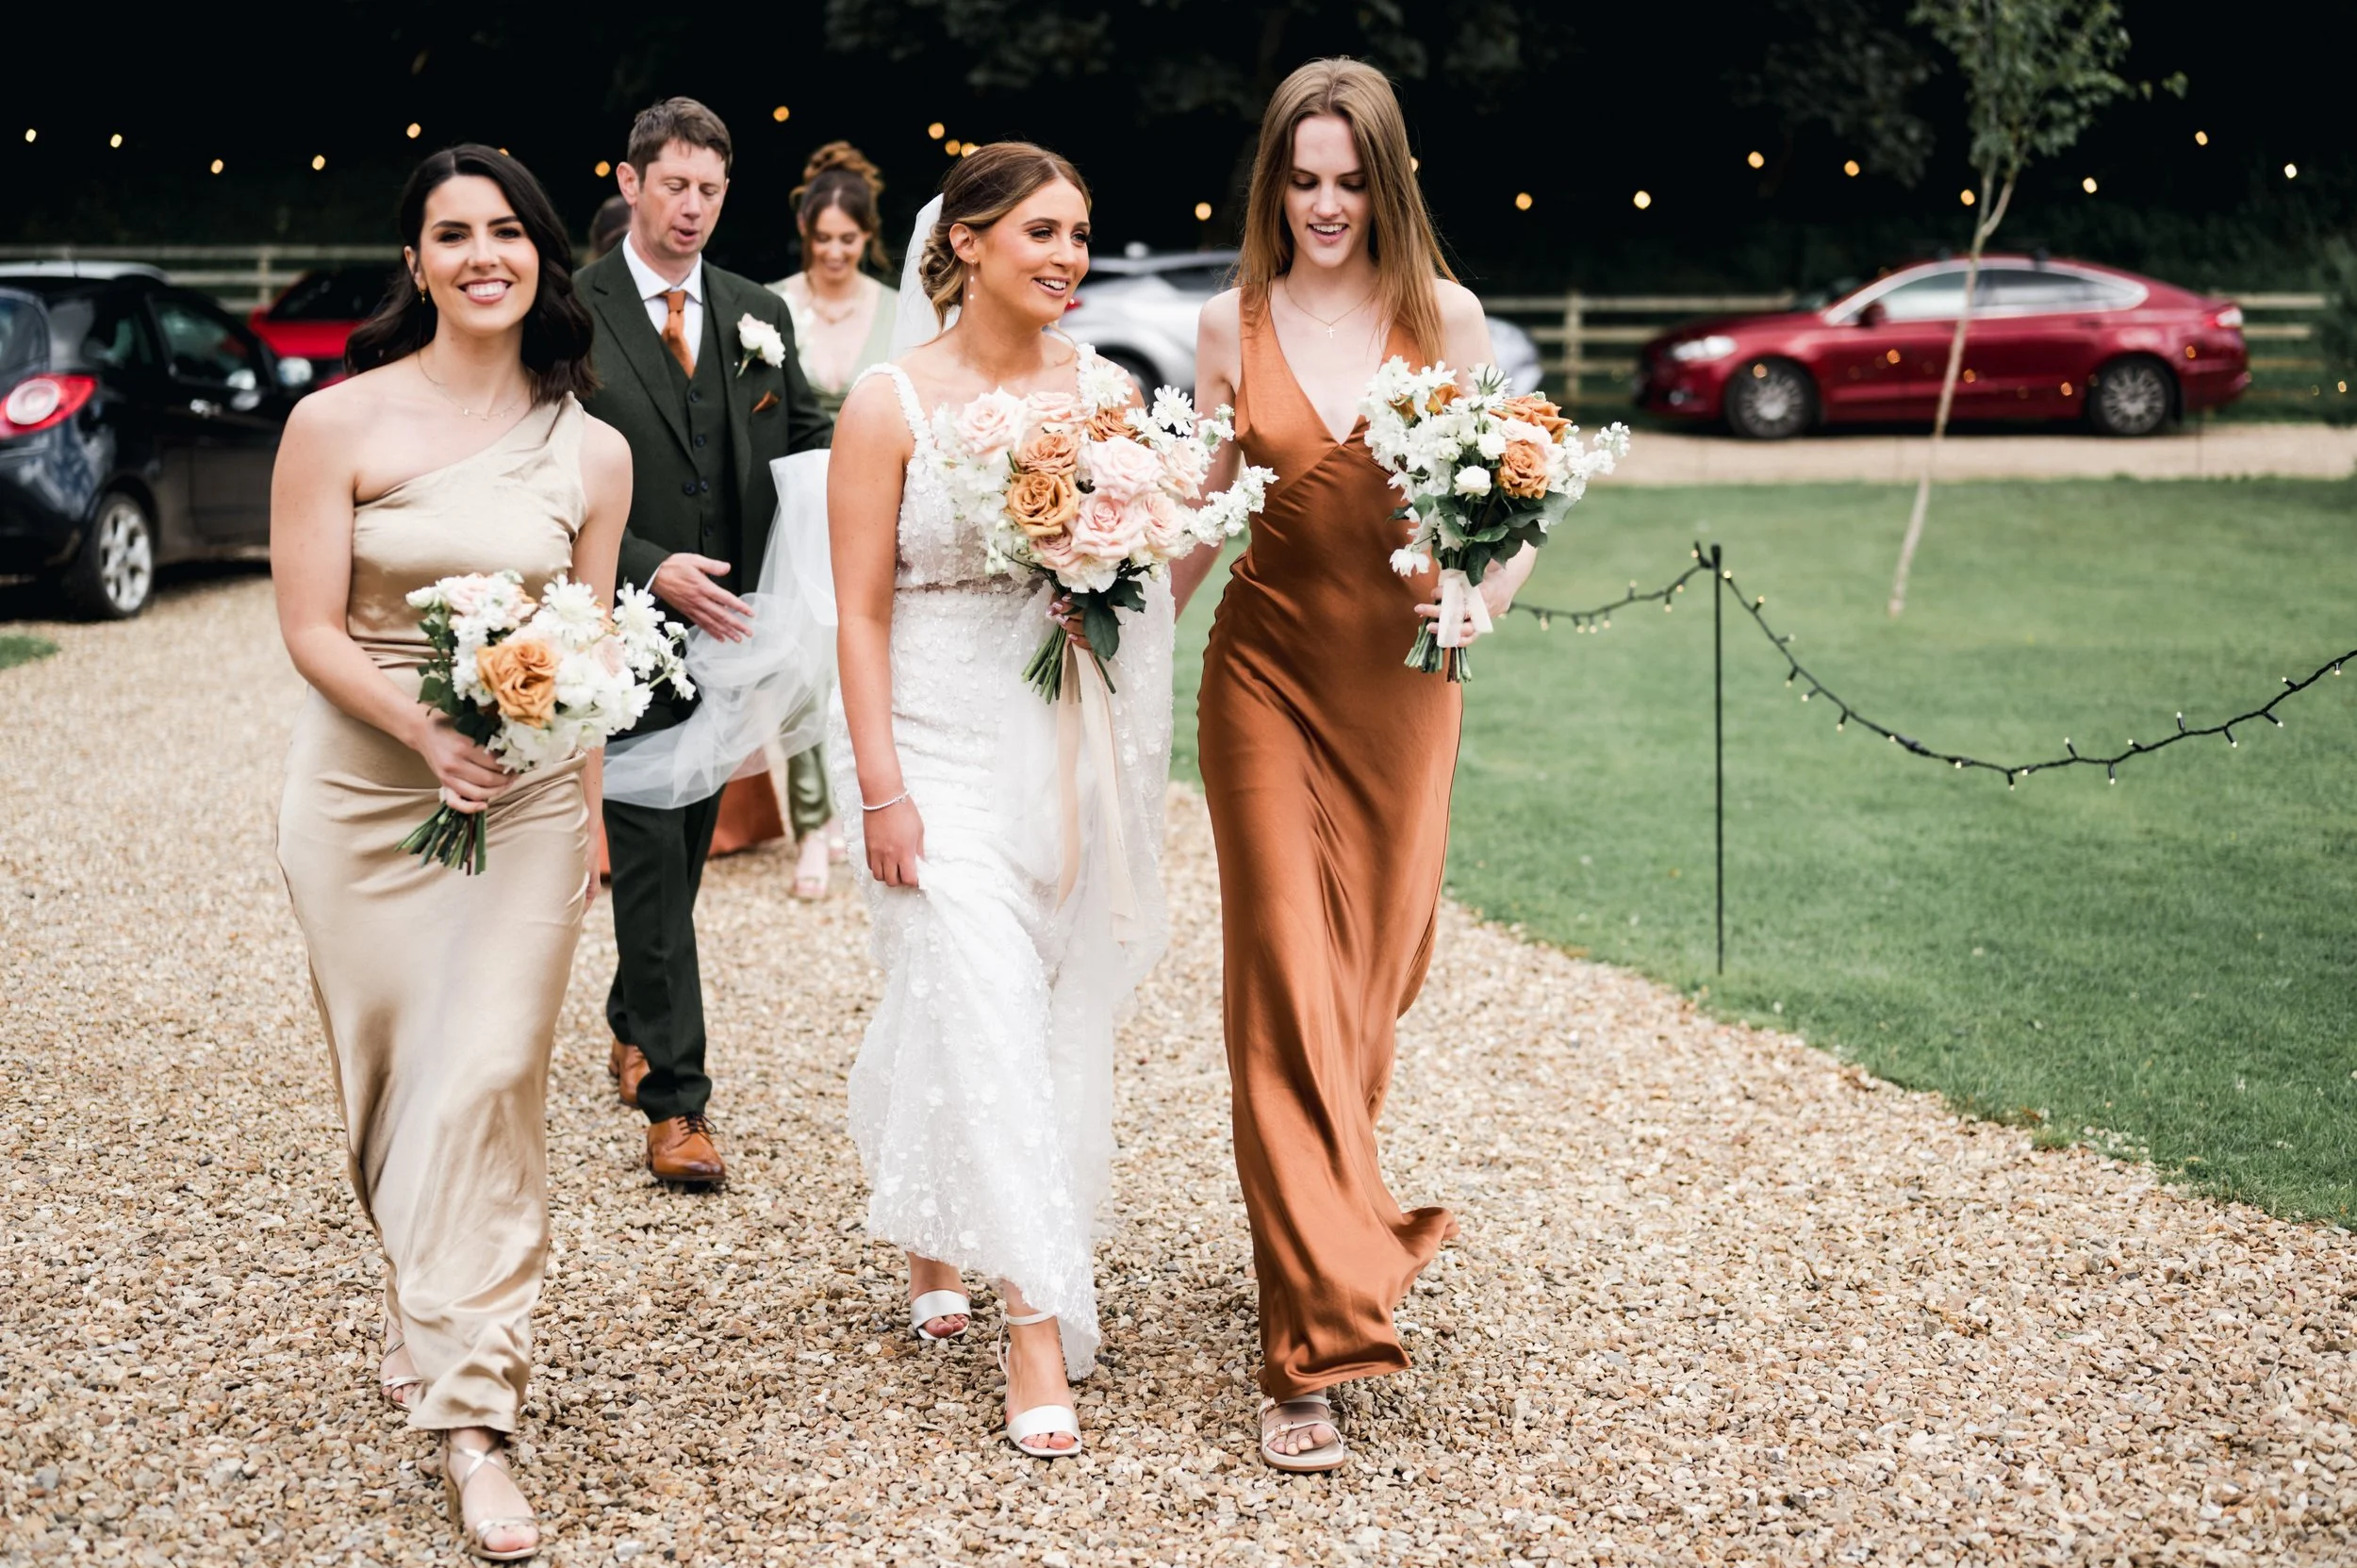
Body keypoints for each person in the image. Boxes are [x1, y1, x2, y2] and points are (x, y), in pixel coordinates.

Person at [273, 143, 632, 1560]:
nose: (484, 253)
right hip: (362, 792)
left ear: (544, 253)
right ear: (415, 262)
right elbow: (307, 625)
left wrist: (589, 802)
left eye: (508, 231)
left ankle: (475, 1416)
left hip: (532, 802)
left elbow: (591, 648)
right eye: (451, 233)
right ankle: (427, 1295)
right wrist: (425, 731)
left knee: (483, 1076)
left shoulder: (591, 449)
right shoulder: (338, 421)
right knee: (394, 1082)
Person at [1172, 58, 1509, 1473]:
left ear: (1388, 179)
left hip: (1405, 690)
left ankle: (1326, 1225)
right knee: (1284, 988)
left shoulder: (1452, 322)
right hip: (1260, 680)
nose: (1323, 203)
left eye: (1348, 178)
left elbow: (1508, 498)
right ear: (1273, 183)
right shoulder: (1220, 325)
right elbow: (1199, 512)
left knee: (1365, 998)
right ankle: (1301, 1348)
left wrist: (1486, 594)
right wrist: (1091, 607)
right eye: (1301, 178)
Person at [827, 142, 1171, 1460]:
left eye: (1081, 232)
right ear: (965, 242)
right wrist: (881, 788)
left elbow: (1132, 585)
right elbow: (857, 612)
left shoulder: (1112, 396)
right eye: (1041, 230)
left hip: (1058, 736)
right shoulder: (888, 405)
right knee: (977, 991)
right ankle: (1039, 1316)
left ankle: (935, 1226)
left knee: (1017, 1001)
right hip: (931, 740)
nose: (1069, 256)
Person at [577, 97, 831, 1185]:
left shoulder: (750, 307)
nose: (693, 207)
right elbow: (544, 462)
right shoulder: (570, 310)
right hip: (624, 626)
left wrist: (915, 443)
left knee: (677, 858)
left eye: (711, 190)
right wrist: (644, 563)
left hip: (735, 633)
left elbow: (810, 431)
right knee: (645, 852)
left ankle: (633, 1011)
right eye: (674, 185)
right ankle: (677, 1107)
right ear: (630, 183)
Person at [766, 140, 896, 900]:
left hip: (882, 501)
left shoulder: (893, 304)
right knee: (803, 666)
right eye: (824, 240)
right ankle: (813, 823)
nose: (837, 252)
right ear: (807, 237)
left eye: (849, 239)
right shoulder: (771, 304)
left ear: (867, 236)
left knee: (872, 654)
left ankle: (865, 799)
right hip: (801, 502)